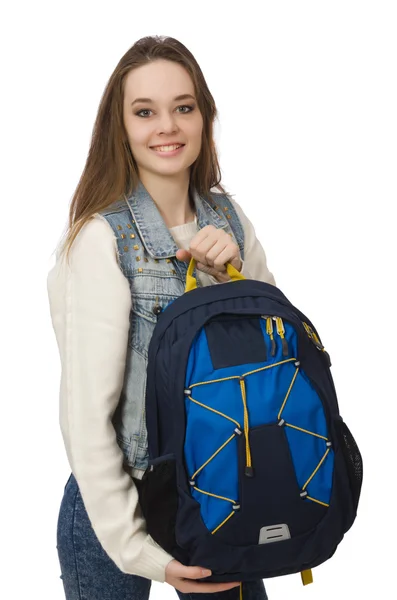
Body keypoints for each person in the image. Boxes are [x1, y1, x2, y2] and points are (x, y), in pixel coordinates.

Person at [47, 35, 276, 600]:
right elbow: (86, 422)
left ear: (204, 116)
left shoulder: (231, 219)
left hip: (220, 492)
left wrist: (232, 276)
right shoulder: (101, 241)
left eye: (183, 107)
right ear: (120, 127)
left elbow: (276, 362)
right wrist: (140, 551)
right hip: (115, 511)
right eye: (144, 112)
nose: (166, 126)